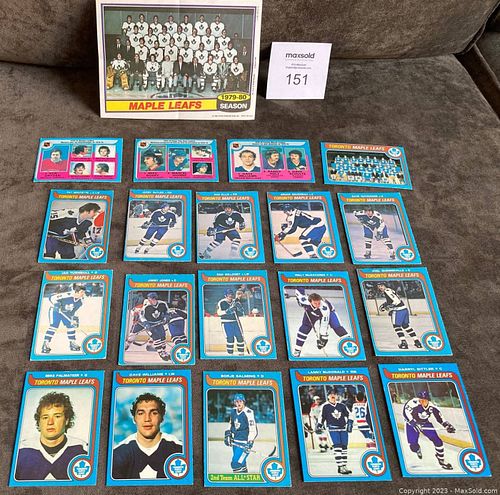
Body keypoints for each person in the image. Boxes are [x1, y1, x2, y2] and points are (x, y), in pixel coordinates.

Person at [14, 392, 88, 480]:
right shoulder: (20, 450)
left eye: (57, 416)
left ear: (67, 420)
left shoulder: (83, 449)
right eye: (45, 417)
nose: (50, 422)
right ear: (39, 421)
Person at [112, 393, 183, 479]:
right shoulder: (118, 454)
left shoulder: (179, 450)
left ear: (162, 417)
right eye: (141, 413)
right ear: (134, 419)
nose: (147, 419)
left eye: (154, 413)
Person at [403, 390, 455, 470]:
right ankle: (417, 449)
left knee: (438, 441)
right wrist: (413, 423)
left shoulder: (432, 406)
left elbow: (440, 418)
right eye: (421, 400)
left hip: (425, 423)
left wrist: (447, 425)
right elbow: (405, 412)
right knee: (413, 446)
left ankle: (441, 460)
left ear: (428, 400)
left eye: (424, 400)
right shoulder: (413, 403)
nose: (422, 402)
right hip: (411, 425)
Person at [291, 289, 348, 357]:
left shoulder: (324, 308)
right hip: (311, 314)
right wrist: (298, 299)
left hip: (329, 313)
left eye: (319, 303)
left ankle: (350, 343)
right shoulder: (304, 300)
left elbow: (324, 324)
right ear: (310, 302)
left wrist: (323, 338)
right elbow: (298, 292)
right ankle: (297, 350)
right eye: (315, 303)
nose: (318, 305)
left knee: (337, 327)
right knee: (304, 329)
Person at [40, 284, 87, 354]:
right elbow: (51, 297)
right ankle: (45, 344)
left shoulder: (81, 301)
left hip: (66, 313)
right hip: (55, 311)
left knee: (71, 327)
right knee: (54, 326)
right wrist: (56, 304)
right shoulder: (67, 295)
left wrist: (74, 319)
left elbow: (74, 311)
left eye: (84, 292)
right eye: (82, 292)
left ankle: (72, 343)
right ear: (76, 291)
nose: (83, 294)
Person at [376, 282, 423, 349]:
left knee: (396, 326)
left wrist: (389, 307)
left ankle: (404, 343)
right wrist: (386, 304)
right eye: (379, 286)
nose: (380, 287)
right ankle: (417, 342)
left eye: (381, 286)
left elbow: (396, 301)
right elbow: (393, 300)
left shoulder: (387, 291)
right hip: (404, 309)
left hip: (398, 310)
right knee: (405, 326)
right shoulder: (390, 290)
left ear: (384, 285)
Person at [317, 389, 353, 475]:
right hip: (332, 430)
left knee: (344, 448)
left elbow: (350, 414)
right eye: (331, 394)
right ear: (328, 396)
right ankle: (340, 467)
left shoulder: (342, 405)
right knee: (337, 447)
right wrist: (319, 425)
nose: (333, 395)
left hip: (343, 429)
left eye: (334, 394)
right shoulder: (325, 406)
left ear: (337, 396)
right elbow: (321, 417)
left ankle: (344, 466)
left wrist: (350, 423)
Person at [224, 394, 258, 474]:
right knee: (242, 463)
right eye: (237, 401)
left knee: (236, 463)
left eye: (240, 401)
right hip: (235, 442)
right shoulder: (233, 411)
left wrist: (250, 442)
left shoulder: (248, 412)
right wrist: (228, 434)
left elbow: (253, 429)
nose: (238, 403)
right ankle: (244, 477)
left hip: (245, 443)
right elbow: (231, 423)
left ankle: (239, 480)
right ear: (234, 403)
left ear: (243, 402)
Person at [216, 288, 246, 355]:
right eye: (228, 294)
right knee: (230, 339)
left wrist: (240, 308)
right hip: (226, 323)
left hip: (236, 322)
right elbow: (219, 313)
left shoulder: (235, 302)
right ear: (225, 295)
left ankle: (241, 354)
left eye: (231, 294)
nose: (230, 296)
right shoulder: (222, 302)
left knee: (240, 338)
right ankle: (230, 355)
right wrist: (228, 311)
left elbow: (242, 313)